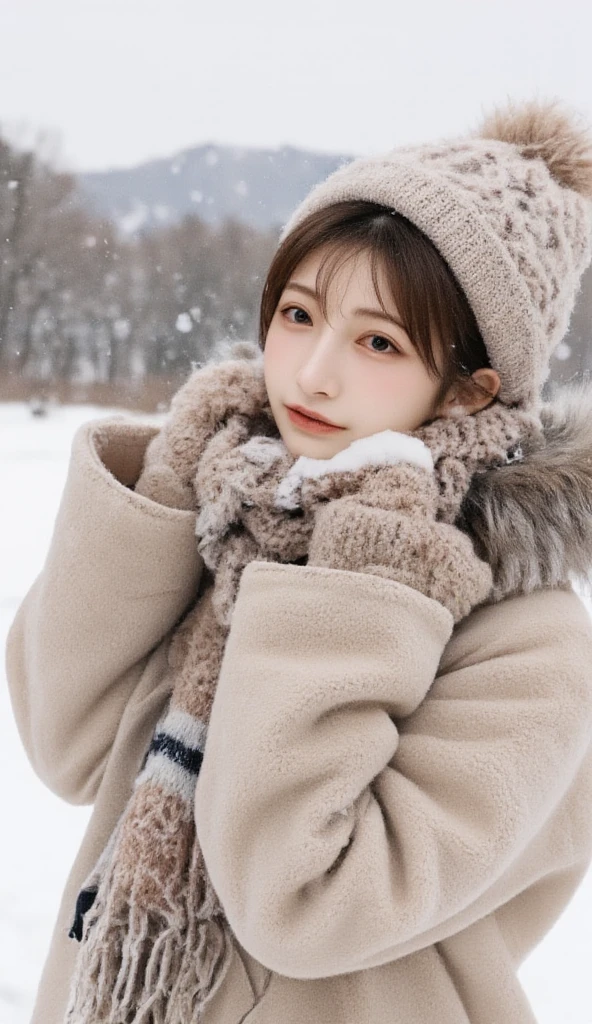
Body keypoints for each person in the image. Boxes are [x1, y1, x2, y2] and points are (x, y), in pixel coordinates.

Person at [5, 97, 592, 1024]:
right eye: (297, 313)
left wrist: (359, 580)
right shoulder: (235, 522)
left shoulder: (532, 645)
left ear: (469, 388)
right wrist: (164, 488)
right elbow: (64, 740)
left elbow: (304, 904)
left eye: (378, 342)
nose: (313, 372)